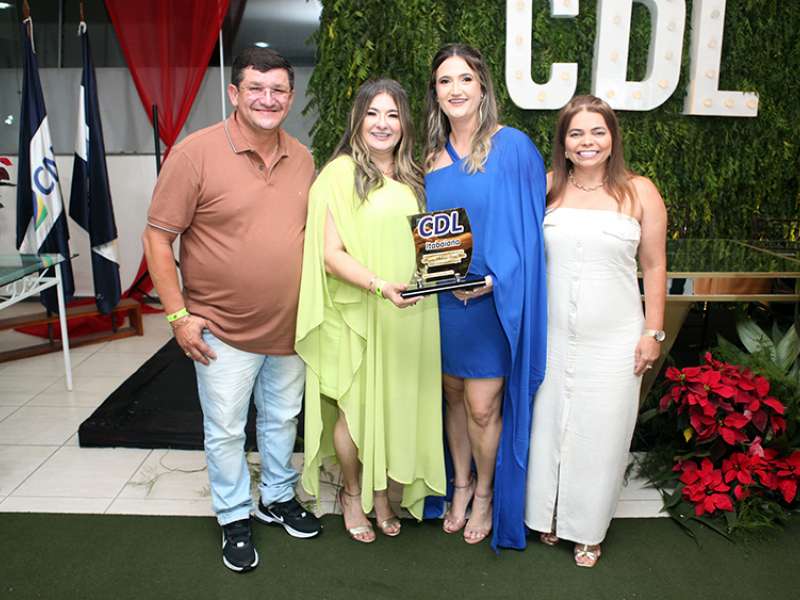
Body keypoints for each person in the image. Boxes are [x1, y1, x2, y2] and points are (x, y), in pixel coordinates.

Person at [142, 47, 321, 573]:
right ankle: (234, 514)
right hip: (220, 329)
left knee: (283, 419)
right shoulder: (194, 154)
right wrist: (178, 316)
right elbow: (157, 238)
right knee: (225, 429)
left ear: (290, 97)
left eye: (278, 90)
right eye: (256, 89)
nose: (268, 99)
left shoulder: (302, 157)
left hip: (289, 327)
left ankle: (277, 496)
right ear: (234, 93)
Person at [296, 79, 446, 543]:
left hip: (410, 309)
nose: (383, 124)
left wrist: (446, 275)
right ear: (358, 119)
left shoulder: (413, 175)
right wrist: (380, 286)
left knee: (394, 403)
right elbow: (329, 253)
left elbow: (429, 240)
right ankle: (351, 491)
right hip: (359, 307)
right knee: (355, 410)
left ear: (405, 123)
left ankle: (382, 495)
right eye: (373, 113)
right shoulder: (338, 174)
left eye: (393, 114)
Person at [525, 95, 667, 567]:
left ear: (612, 139)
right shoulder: (547, 187)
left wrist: (653, 332)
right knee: (548, 426)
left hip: (616, 338)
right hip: (551, 335)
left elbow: (655, 266)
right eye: (576, 133)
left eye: (597, 132)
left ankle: (587, 529)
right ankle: (546, 514)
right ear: (563, 143)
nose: (587, 142)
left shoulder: (640, 191)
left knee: (603, 432)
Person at [423, 43, 547, 549]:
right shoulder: (427, 159)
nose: (455, 89)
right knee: (452, 395)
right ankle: (460, 483)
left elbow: (530, 230)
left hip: (494, 301)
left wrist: (497, 278)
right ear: (435, 93)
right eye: (445, 81)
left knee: (481, 406)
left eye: (465, 79)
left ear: (482, 87)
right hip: (444, 303)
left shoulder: (512, 146)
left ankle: (486, 494)